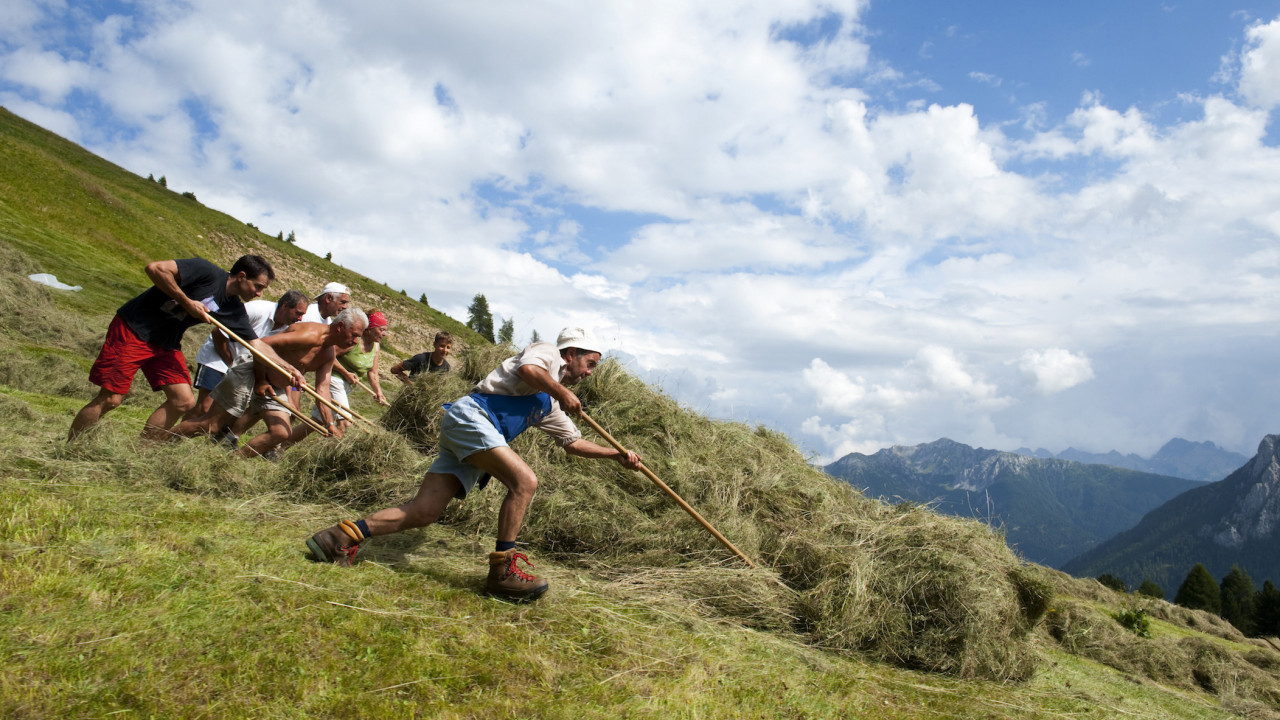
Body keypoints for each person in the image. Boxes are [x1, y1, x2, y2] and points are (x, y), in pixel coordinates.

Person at [305, 327, 642, 601]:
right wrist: (562, 392)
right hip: (471, 418)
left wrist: (617, 455)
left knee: (425, 512)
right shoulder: (547, 354)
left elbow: (572, 443)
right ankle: (502, 572)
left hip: (471, 433)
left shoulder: (549, 405)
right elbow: (529, 370)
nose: (589, 373)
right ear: (571, 353)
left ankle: (339, 538)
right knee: (524, 482)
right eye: (590, 364)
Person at [68, 255, 304, 441]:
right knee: (111, 399)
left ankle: (143, 449)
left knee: (183, 401)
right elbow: (155, 268)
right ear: (242, 276)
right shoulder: (206, 271)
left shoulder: (232, 308)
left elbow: (256, 344)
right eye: (258, 286)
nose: (259, 293)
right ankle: (73, 447)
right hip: (133, 329)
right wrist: (185, 301)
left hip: (165, 344)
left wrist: (288, 368)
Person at [173, 308, 367, 458]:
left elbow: (323, 389)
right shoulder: (310, 336)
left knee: (280, 432)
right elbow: (261, 345)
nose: (356, 341)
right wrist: (261, 380)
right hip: (251, 368)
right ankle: (162, 440)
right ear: (340, 327)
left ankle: (228, 464)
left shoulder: (328, 352)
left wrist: (329, 423)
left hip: (275, 382)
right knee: (211, 425)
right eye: (355, 334)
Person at [184, 289, 310, 421]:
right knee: (205, 407)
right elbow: (218, 333)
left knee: (224, 413)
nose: (300, 318)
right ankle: (174, 435)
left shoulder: (288, 329)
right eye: (298, 313)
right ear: (284, 305)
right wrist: (231, 364)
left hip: (241, 368)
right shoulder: (256, 309)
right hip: (218, 358)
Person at [334, 309, 390, 406]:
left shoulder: (376, 346)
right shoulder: (354, 340)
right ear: (369, 329)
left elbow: (373, 372)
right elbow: (329, 355)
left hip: (347, 386)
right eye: (381, 330)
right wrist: (346, 373)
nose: (384, 334)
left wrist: (378, 392)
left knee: (319, 420)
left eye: (385, 330)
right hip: (334, 380)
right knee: (345, 420)